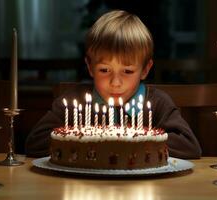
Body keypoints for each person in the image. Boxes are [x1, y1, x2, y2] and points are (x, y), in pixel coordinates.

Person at [25, 10, 202, 158]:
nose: (115, 83)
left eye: (127, 71)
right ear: (90, 66)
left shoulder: (157, 103)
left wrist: (133, 139)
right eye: (104, 70)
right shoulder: (76, 101)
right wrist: (87, 139)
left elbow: (190, 146)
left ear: (145, 70)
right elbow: (34, 143)